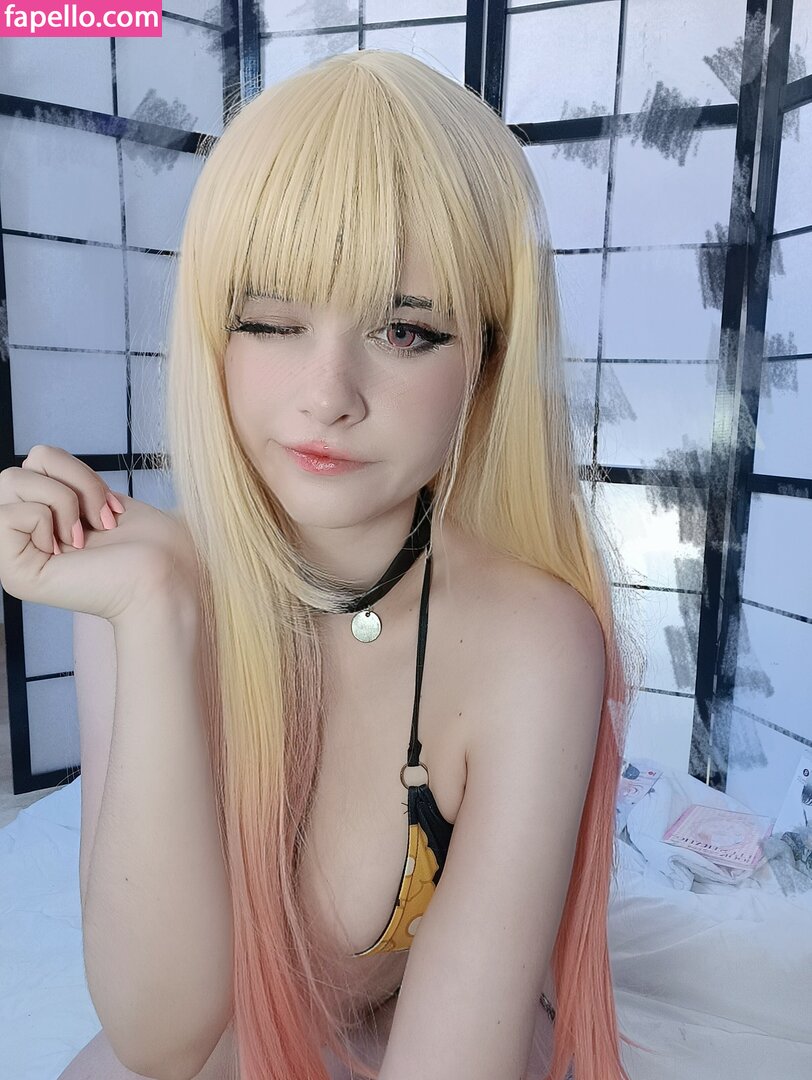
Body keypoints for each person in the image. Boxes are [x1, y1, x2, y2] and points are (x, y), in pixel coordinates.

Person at [0, 48, 648, 1080]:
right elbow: (161, 1041)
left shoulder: (533, 643)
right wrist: (155, 613)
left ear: (487, 358)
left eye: (405, 330)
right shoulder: (141, 581)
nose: (328, 394)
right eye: (271, 321)